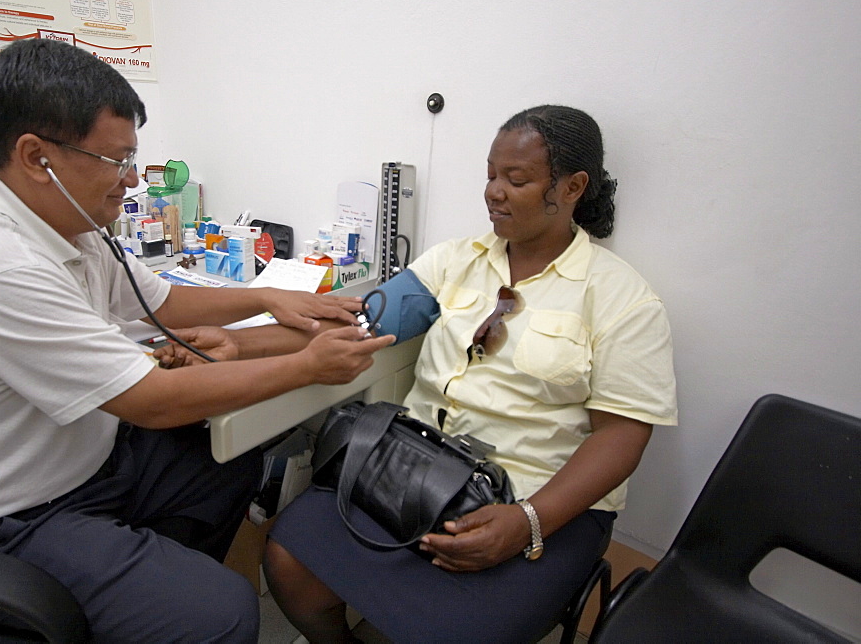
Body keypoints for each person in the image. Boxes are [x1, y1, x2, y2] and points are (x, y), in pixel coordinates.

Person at [0, 38, 394, 643]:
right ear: (37, 157)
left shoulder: (74, 229)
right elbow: (150, 399)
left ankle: (138, 595)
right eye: (115, 162)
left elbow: (163, 301)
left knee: (227, 458)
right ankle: (161, 601)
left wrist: (265, 297)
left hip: (77, 466)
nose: (129, 182)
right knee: (219, 611)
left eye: (132, 162)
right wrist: (308, 364)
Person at [261, 105, 679, 643]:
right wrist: (235, 343)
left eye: (517, 179)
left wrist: (527, 521)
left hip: (535, 497)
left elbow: (622, 436)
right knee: (291, 559)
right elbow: (360, 321)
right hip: (410, 467)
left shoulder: (623, 300)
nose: (493, 192)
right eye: (490, 174)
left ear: (573, 187)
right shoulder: (455, 261)